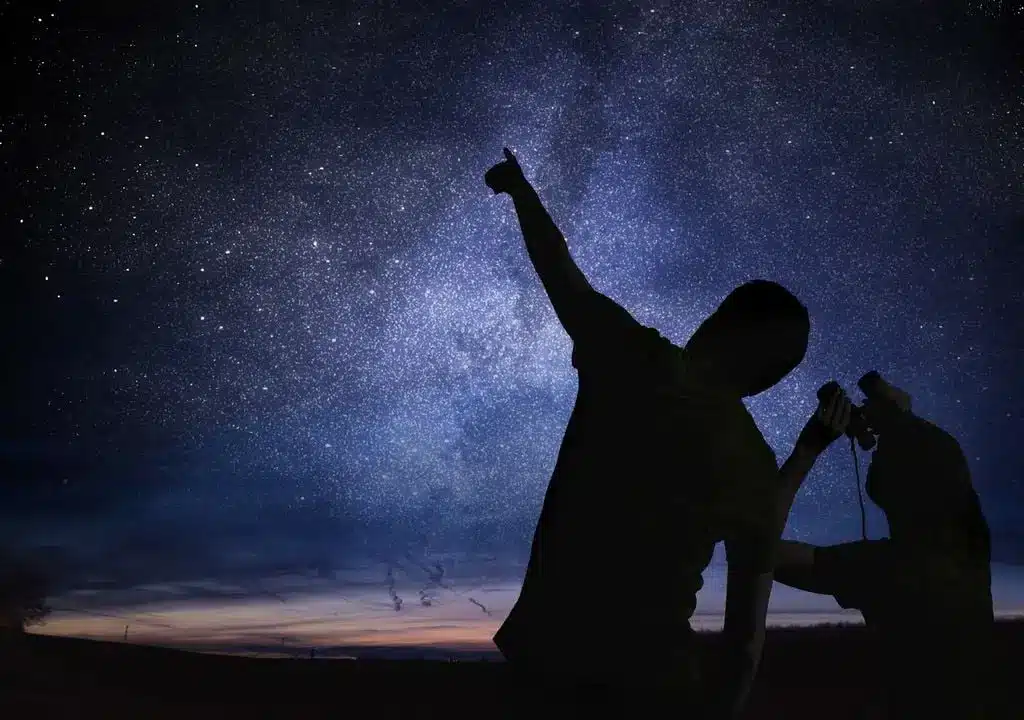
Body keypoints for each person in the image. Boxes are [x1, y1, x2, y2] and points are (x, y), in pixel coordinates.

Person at [484, 147, 812, 718]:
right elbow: (744, 641)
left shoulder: (632, 359)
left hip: (550, 665)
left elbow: (560, 272)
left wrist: (520, 191)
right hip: (659, 681)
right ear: (768, 380)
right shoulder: (755, 462)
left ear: (717, 323)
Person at [772, 374, 994, 719]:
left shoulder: (891, 569)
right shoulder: (971, 552)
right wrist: (898, 418)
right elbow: (944, 464)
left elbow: (760, 549)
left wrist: (807, 451)